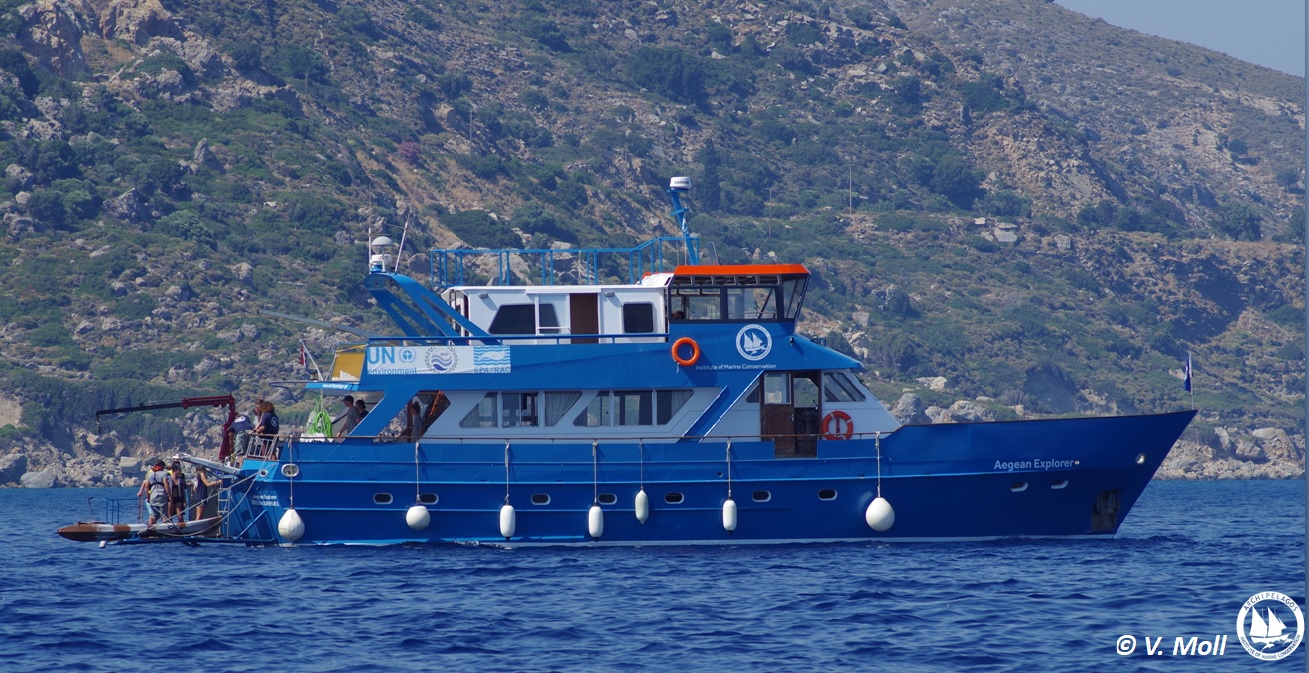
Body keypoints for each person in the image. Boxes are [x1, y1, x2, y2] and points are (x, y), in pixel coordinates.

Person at [137, 460, 169, 525]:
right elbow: (166, 485)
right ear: (161, 466)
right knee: (164, 515)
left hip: (152, 497)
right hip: (162, 495)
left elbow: (146, 486)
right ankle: (166, 528)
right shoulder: (164, 474)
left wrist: (148, 497)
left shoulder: (150, 474)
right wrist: (169, 495)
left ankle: (151, 525)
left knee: (154, 515)